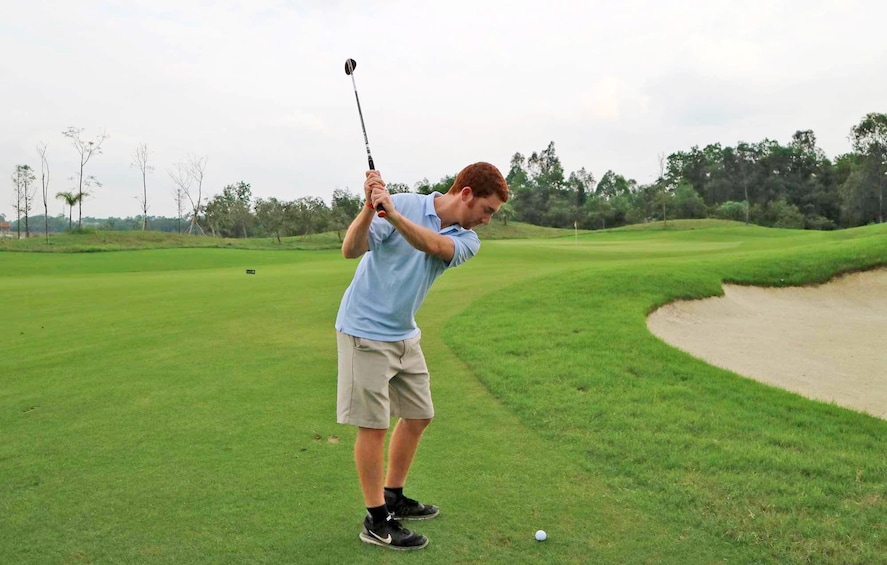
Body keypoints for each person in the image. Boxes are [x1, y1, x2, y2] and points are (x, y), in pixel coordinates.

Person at [335, 162, 509, 551]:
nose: (487, 220)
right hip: (364, 329)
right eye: (487, 210)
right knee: (373, 426)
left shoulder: (466, 240)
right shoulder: (401, 204)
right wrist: (369, 208)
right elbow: (351, 250)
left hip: (404, 333)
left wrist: (391, 214)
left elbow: (432, 245)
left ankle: (393, 495)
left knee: (419, 415)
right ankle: (376, 519)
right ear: (466, 194)